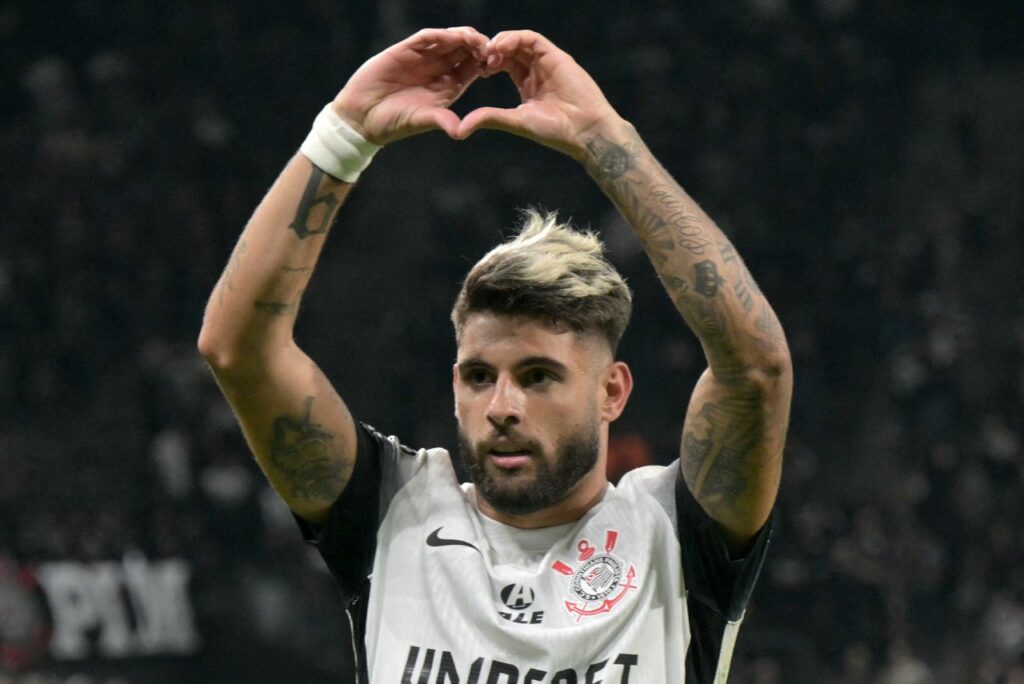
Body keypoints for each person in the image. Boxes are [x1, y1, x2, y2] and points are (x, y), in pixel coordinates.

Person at [198, 26, 792, 683]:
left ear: (612, 392)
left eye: (539, 377)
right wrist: (342, 135)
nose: (502, 407)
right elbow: (238, 350)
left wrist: (607, 143)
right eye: (480, 377)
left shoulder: (673, 536)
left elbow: (756, 368)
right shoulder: (392, 512)